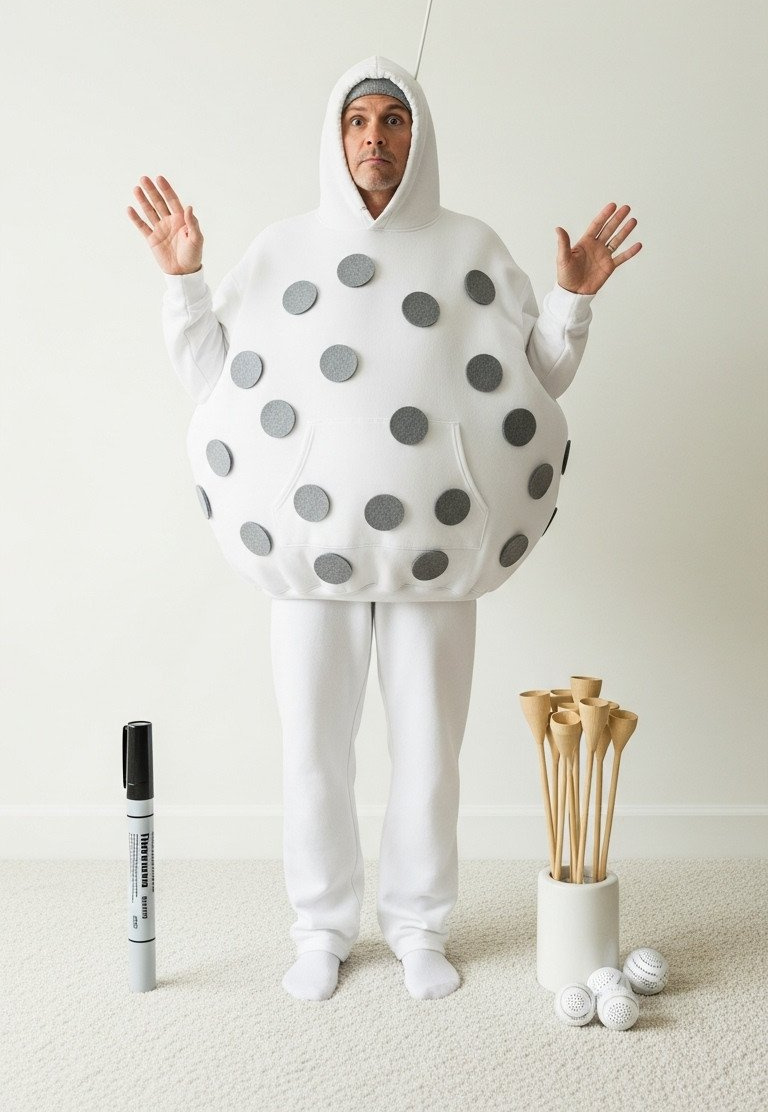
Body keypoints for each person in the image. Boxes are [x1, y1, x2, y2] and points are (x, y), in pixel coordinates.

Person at [127, 56, 641, 1002]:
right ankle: (320, 927)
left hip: (438, 558)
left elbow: (539, 380)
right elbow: (213, 377)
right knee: (314, 747)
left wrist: (574, 300)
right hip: (305, 560)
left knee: (429, 745)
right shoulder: (282, 249)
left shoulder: (472, 247)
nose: (375, 136)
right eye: (359, 119)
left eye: (394, 120)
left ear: (420, 136)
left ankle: (418, 925)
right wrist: (186, 278)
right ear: (335, 136)